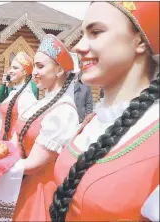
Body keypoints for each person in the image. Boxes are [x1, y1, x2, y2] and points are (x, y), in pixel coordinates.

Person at [49, 2, 159, 221]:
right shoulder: (94, 121)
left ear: (139, 41)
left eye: (96, 32)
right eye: (82, 34)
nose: (78, 47)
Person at [12, 34, 79, 221]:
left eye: (40, 66)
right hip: (23, 184)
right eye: (34, 66)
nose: (33, 72)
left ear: (58, 70)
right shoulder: (43, 102)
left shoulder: (64, 111)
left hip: (41, 192)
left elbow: (33, 165)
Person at [0, 51, 37, 141]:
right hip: (4, 141)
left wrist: (13, 150)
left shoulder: (27, 97)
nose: (10, 71)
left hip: (13, 146)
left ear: (24, 72)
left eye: (15, 68)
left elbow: (24, 130)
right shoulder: (13, 92)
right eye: (11, 68)